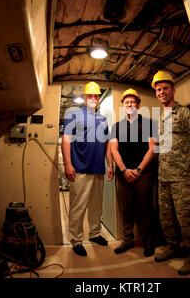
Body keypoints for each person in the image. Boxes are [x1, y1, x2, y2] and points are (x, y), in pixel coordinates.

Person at [151, 70, 190, 275]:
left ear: (173, 90)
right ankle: (173, 246)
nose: (161, 92)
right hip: (164, 178)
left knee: (187, 217)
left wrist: (187, 160)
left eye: (165, 88)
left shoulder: (184, 113)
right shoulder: (160, 116)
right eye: (158, 89)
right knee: (166, 217)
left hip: (182, 178)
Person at [62, 81, 114, 256]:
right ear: (85, 98)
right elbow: (66, 140)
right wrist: (68, 164)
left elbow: (106, 144)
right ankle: (76, 240)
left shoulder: (102, 119)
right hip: (80, 169)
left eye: (96, 95)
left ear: (98, 99)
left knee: (96, 207)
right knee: (78, 207)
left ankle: (94, 234)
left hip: (98, 168)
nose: (93, 98)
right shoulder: (74, 115)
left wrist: (110, 165)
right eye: (90, 95)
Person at [110, 88, 160, 257]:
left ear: (138, 105)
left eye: (133, 101)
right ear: (123, 106)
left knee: (146, 209)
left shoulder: (149, 124)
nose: (130, 104)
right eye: (126, 102)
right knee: (126, 209)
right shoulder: (116, 127)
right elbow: (114, 149)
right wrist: (124, 170)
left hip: (144, 174)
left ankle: (149, 241)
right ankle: (127, 240)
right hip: (123, 175)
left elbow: (152, 149)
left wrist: (138, 170)